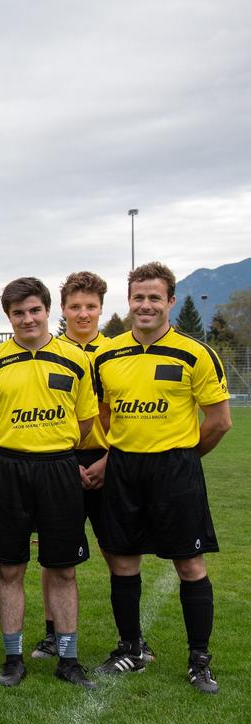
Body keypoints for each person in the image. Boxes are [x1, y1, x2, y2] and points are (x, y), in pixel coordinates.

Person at [91, 262, 231, 693]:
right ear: (128, 301)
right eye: (139, 297)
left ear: (170, 301)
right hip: (124, 468)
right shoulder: (106, 355)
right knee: (122, 560)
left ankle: (199, 660)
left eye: (155, 297)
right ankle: (131, 649)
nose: (146, 305)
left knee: (189, 563)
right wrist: (115, 453)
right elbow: (103, 413)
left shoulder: (195, 353)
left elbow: (219, 421)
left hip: (175, 470)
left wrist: (184, 457)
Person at [0, 277, 97, 689]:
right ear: (8, 316)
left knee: (62, 568)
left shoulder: (76, 359)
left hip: (59, 469)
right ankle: (13, 658)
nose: (27, 319)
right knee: (10, 567)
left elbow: (84, 422)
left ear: (48, 311)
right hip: (9, 469)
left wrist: (50, 444)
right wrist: (15, 445)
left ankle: (68, 658)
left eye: (34, 310)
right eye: (17, 313)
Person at [36, 271, 156, 661]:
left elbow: (126, 418)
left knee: (117, 552)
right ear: (63, 310)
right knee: (56, 555)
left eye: (90, 307)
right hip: (60, 463)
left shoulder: (116, 353)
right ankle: (53, 634)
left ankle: (133, 639)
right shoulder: (48, 351)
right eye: (75, 306)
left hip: (110, 463)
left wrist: (108, 460)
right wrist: (63, 461)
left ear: (102, 309)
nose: (83, 314)